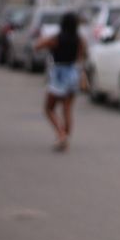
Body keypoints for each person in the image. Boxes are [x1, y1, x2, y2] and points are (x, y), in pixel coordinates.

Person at [35, 12, 87, 152]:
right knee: (67, 109)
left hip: (59, 73)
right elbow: (81, 57)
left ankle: (61, 134)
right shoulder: (79, 39)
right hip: (73, 73)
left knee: (49, 108)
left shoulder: (57, 38)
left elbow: (38, 45)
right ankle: (65, 138)